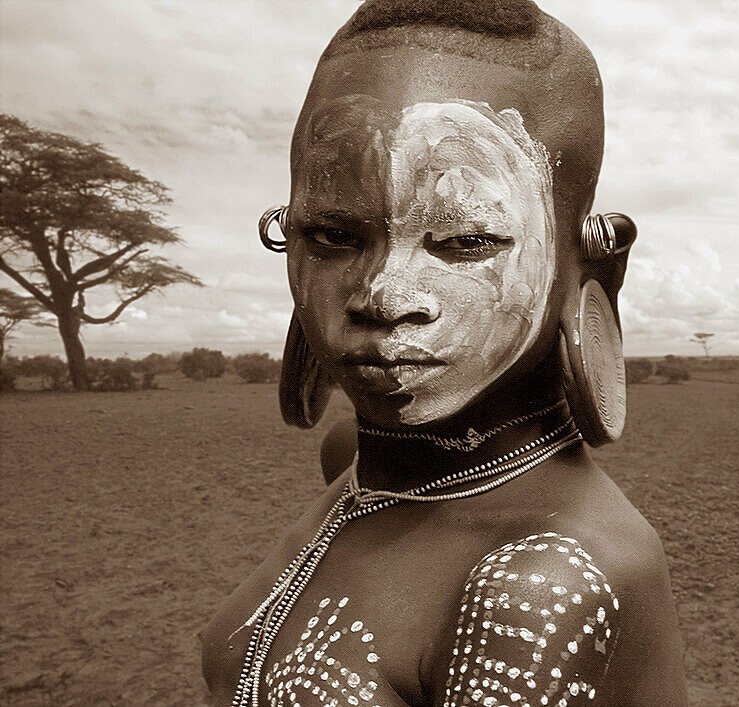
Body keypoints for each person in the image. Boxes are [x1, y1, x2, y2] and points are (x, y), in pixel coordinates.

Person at [199, 2, 688, 705]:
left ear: (586, 264)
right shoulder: (361, 467)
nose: (383, 295)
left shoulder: (537, 586)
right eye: (335, 234)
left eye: (465, 241)